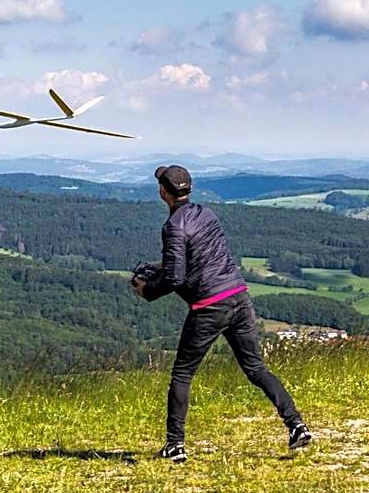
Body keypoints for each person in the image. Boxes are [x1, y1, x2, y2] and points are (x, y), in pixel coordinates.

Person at [131, 165, 311, 463]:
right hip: (238, 297)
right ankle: (296, 425)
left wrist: (146, 290)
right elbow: (197, 259)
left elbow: (176, 277)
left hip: (209, 306)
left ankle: (175, 445)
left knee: (183, 373)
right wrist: (160, 267)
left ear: (163, 191)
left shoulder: (173, 225)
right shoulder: (207, 214)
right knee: (255, 369)